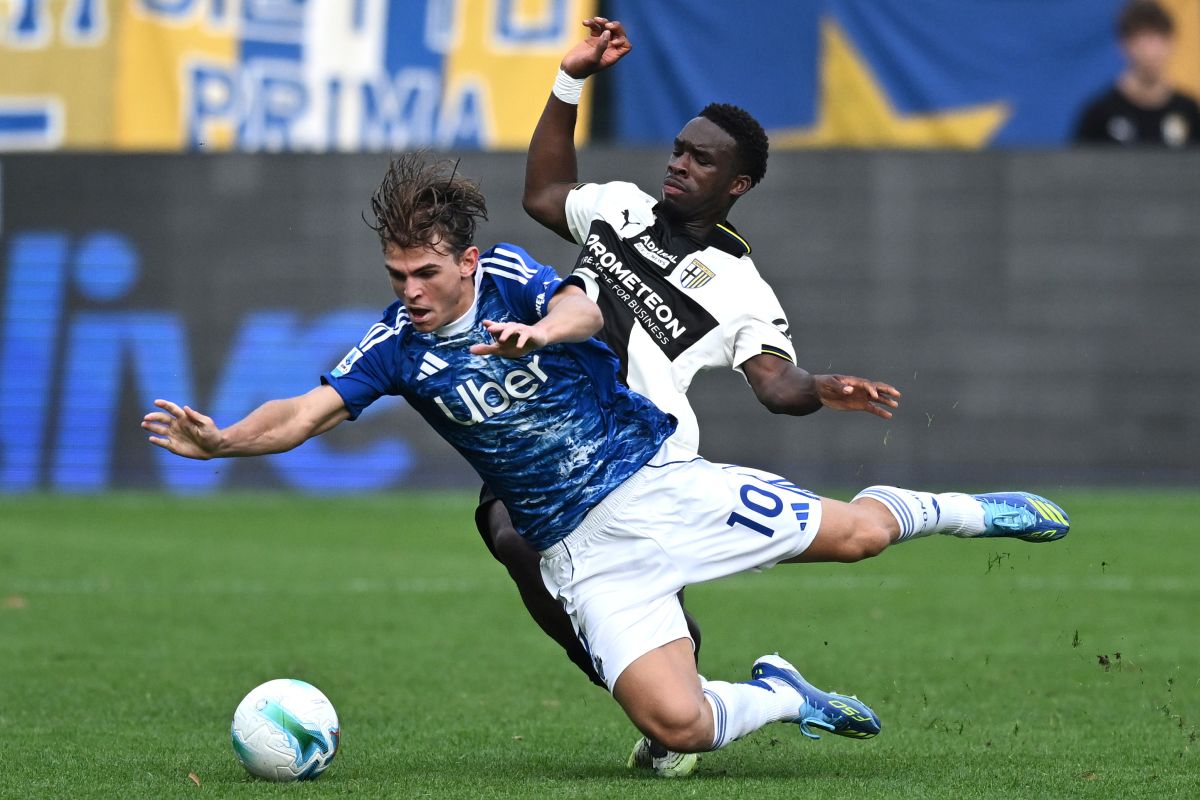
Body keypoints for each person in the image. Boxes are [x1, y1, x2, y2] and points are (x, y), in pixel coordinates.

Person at [142, 152, 1070, 772]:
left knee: (860, 536)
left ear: (466, 261)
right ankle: (785, 698)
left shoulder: (514, 280)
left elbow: (586, 306)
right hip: (583, 555)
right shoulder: (396, 347)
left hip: (657, 487)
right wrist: (222, 440)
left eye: (426, 273)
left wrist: (539, 333)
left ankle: (969, 510)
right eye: (398, 277)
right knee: (680, 726)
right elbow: (303, 412)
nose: (411, 292)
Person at [482, 17, 901, 776]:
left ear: (737, 185)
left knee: (525, 543)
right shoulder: (618, 208)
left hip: (646, 464)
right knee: (510, 537)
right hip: (555, 432)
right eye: (678, 148)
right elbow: (543, 193)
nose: (678, 163)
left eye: (701, 159)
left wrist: (820, 387)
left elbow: (775, 384)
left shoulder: (741, 286)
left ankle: (682, 702)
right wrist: (570, 80)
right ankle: (675, 693)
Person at [1074, 0, 1200, 146]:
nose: (1150, 51)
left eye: (1157, 39)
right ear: (1123, 45)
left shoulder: (1189, 111)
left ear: (1171, 42)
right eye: (1141, 40)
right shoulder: (1099, 114)